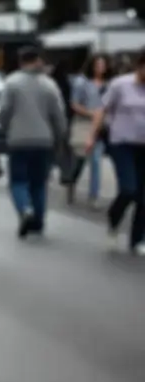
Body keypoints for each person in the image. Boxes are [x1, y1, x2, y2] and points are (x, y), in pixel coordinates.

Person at [0, 46, 67, 238]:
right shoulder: (49, 84)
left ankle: (24, 209)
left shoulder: (11, 82)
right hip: (44, 140)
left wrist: (4, 130)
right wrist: (60, 136)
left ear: (21, 62)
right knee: (39, 182)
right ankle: (38, 220)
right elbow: (58, 114)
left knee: (18, 180)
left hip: (18, 139)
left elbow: (4, 111)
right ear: (38, 60)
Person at [86, 48, 145, 255]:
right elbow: (101, 110)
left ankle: (137, 239)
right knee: (129, 189)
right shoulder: (121, 85)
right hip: (122, 143)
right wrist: (92, 136)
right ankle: (113, 220)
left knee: (143, 197)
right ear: (140, 66)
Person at [69, 53, 110, 204]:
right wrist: (90, 113)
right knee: (80, 159)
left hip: (101, 127)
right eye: (98, 64)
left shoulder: (109, 84)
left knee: (96, 161)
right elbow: (74, 103)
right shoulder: (82, 82)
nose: (101, 68)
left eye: (103, 64)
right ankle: (71, 181)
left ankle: (94, 195)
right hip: (85, 124)